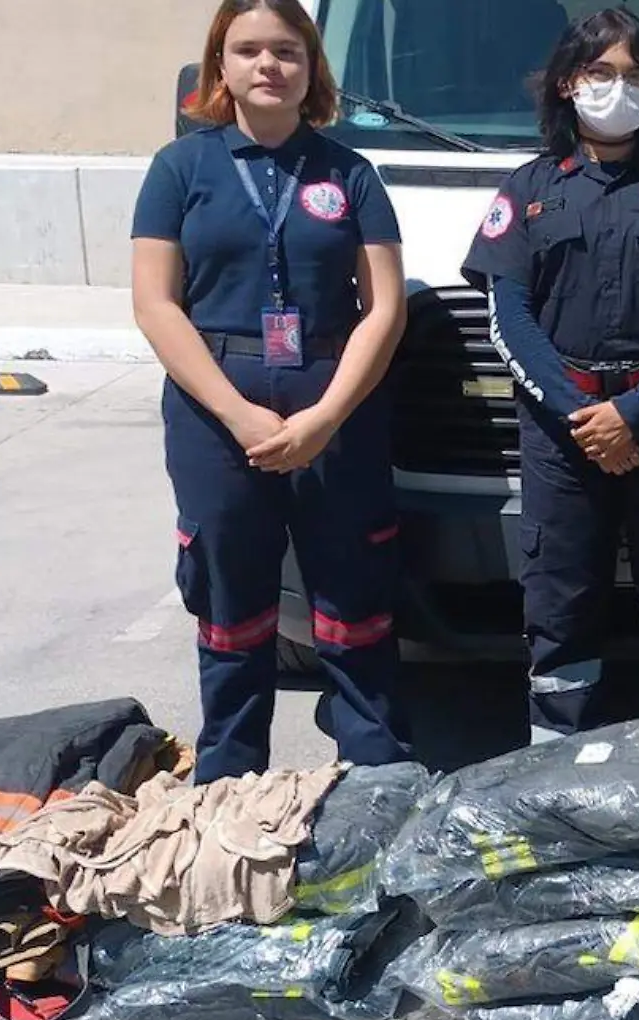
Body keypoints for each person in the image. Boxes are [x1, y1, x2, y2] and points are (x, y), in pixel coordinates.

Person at [131, 0, 413, 784]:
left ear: (311, 68)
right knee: (231, 597)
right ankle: (228, 776)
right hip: (215, 408)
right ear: (218, 67)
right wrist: (238, 412)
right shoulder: (178, 169)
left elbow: (383, 307)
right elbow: (156, 305)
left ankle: (373, 768)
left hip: (336, 405)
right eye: (247, 49)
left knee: (354, 592)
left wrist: (325, 415)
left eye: (286, 51)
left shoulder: (350, 172)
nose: (267, 65)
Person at [460, 9, 639, 741]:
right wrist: (585, 416)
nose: (618, 88)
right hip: (564, 440)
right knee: (559, 607)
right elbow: (510, 316)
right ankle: (557, 770)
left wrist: (638, 413)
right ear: (567, 83)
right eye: (601, 72)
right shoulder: (526, 189)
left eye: (635, 75)